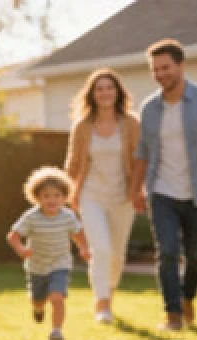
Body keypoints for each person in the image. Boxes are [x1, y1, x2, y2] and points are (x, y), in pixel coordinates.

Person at [131, 38, 197, 331]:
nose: (160, 74)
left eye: (165, 67)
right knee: (166, 252)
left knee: (195, 256)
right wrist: (135, 190)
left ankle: (188, 297)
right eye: (155, 70)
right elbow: (142, 152)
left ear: (181, 65)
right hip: (162, 191)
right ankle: (173, 314)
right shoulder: (150, 108)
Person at [65, 69, 140, 324]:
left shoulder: (131, 123)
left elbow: (141, 160)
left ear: (117, 92)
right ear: (92, 94)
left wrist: (139, 190)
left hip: (122, 196)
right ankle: (102, 303)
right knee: (102, 249)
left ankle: (109, 293)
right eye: (99, 88)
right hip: (91, 195)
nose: (105, 92)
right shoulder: (83, 127)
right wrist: (69, 195)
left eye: (110, 88)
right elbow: (73, 164)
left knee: (117, 254)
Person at [6, 166, 90, 340]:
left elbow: (78, 233)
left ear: (64, 197)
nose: (52, 200)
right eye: (46, 196)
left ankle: (57, 332)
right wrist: (21, 249)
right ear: (37, 198)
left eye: (57, 195)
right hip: (37, 266)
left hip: (60, 264)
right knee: (38, 299)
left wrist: (83, 248)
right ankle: (38, 308)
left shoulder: (67, 216)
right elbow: (13, 236)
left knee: (57, 297)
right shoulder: (31, 217)